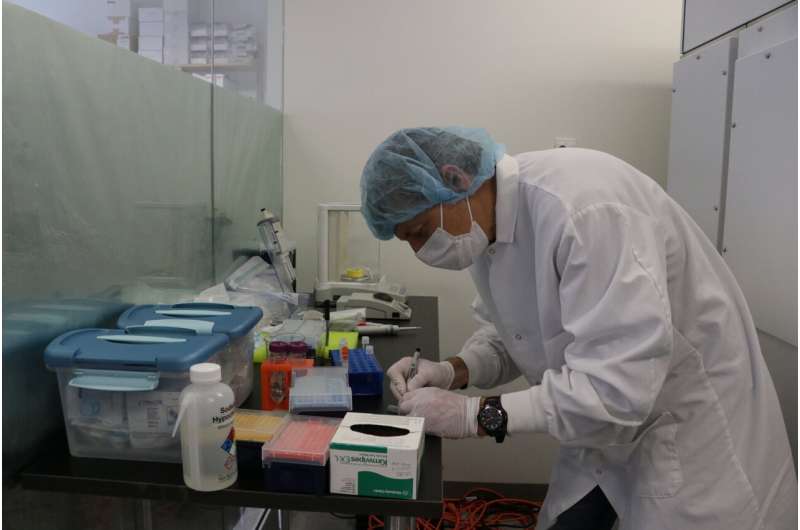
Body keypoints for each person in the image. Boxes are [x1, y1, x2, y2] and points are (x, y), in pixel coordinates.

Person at [359, 127, 797, 530]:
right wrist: (453, 370)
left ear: (454, 181)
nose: (420, 250)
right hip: (601, 435)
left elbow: (615, 391)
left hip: (687, 431)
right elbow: (516, 334)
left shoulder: (585, 209)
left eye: (418, 231)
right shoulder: (486, 229)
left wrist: (473, 415)